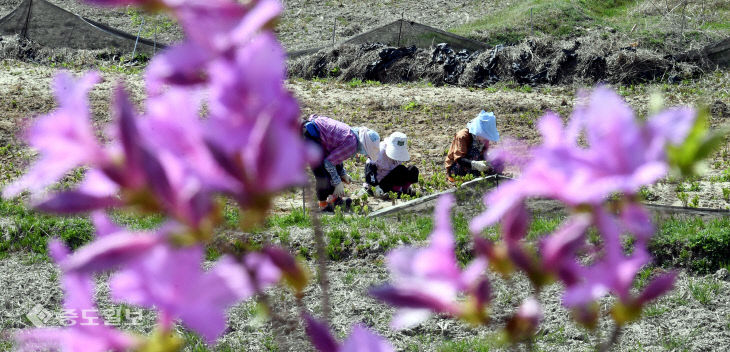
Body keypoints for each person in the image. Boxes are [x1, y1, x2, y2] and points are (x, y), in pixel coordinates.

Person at [303, 114, 380, 211]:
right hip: (309, 135)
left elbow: (336, 158)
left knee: (329, 173)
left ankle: (334, 200)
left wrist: (343, 174)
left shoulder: (351, 136)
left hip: (315, 134)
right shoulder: (352, 143)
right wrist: (337, 183)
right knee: (322, 175)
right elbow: (329, 163)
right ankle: (323, 206)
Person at [444, 110, 501, 181]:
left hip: (474, 162)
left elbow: (484, 153)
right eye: (484, 135)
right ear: (479, 130)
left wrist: (488, 161)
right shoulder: (462, 136)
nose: (486, 138)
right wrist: (475, 164)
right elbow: (459, 159)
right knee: (475, 153)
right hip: (456, 167)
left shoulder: (483, 139)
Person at [364, 132, 419, 197]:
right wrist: (376, 186)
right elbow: (369, 171)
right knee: (401, 169)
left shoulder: (400, 155)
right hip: (379, 184)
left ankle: (404, 189)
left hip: (392, 180)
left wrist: (405, 184)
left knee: (413, 169)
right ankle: (395, 192)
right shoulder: (378, 152)